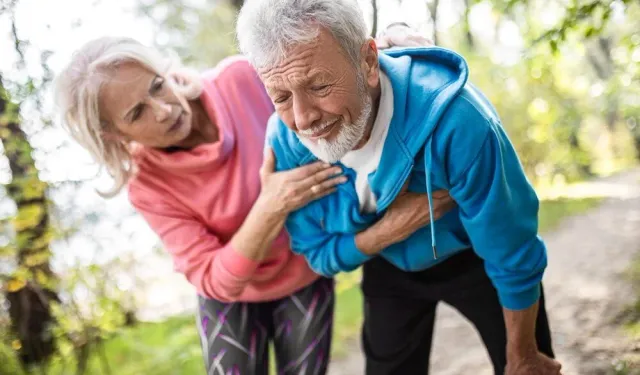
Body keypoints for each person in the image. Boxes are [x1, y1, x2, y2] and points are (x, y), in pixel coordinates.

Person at [53, 27, 446, 375]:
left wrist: (390, 36)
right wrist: (271, 204)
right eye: (137, 112)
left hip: (303, 273)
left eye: (157, 85)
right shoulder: (148, 186)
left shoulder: (240, 79)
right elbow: (210, 277)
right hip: (231, 296)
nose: (165, 109)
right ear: (113, 135)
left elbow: (328, 69)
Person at [235, 1, 563, 374]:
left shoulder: (458, 121)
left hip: (475, 255)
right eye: (280, 97)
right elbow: (318, 254)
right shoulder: (287, 143)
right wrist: (388, 231)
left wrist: (523, 354)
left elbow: (511, 248)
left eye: (320, 85)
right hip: (387, 264)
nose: (303, 117)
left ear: (368, 63)